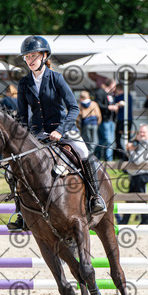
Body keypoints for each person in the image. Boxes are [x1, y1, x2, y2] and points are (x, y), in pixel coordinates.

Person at [9, 35, 106, 232]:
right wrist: (23, 138)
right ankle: (21, 212)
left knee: (84, 152)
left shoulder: (56, 78)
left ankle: (95, 197)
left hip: (63, 129)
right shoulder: (24, 83)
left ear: (44, 56)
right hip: (37, 134)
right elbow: (22, 116)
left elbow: (73, 108)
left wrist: (60, 130)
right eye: (27, 57)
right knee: (14, 166)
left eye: (33, 56)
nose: (29, 60)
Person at [119, 124, 148, 225]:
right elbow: (131, 158)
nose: (141, 134)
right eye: (140, 132)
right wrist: (130, 149)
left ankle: (143, 222)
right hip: (136, 175)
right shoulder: (142, 143)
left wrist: (131, 150)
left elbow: (137, 161)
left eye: (143, 132)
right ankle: (124, 222)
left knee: (141, 200)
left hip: (142, 175)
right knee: (130, 200)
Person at [95, 78, 118, 161]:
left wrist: (116, 105)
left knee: (108, 141)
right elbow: (97, 105)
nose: (115, 87)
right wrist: (109, 107)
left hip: (111, 120)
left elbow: (111, 104)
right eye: (114, 85)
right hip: (104, 120)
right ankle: (107, 159)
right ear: (111, 85)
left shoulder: (111, 94)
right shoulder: (100, 92)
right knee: (107, 141)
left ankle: (102, 158)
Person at [78, 90, 101, 154]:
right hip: (94, 123)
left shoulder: (80, 105)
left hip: (86, 124)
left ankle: (89, 153)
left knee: (87, 141)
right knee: (95, 141)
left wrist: (79, 126)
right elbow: (98, 115)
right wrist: (98, 123)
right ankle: (91, 153)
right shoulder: (94, 104)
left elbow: (78, 117)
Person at [114, 83, 133, 161]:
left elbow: (114, 106)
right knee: (128, 138)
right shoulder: (129, 96)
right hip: (129, 120)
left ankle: (122, 155)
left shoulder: (119, 97)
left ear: (118, 89)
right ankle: (127, 154)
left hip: (121, 120)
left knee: (118, 138)